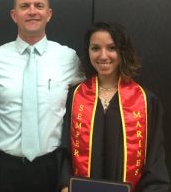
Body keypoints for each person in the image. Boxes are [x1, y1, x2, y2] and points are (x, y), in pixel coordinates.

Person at [0, 0, 85, 192]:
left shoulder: (68, 58)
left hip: (50, 168)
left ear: (49, 14)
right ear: (14, 15)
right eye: (25, 6)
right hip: (2, 168)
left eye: (39, 6)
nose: (32, 11)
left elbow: (87, 98)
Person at [60, 22, 170, 192]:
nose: (103, 56)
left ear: (122, 51)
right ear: (88, 51)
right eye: (95, 48)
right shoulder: (75, 97)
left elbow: (155, 160)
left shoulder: (146, 101)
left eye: (112, 48)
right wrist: (65, 184)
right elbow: (65, 151)